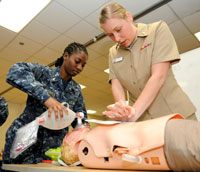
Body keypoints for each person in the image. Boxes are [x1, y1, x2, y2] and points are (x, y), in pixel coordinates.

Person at [99, 2, 196, 122]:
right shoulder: (113, 52)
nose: (117, 39)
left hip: (175, 114)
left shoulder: (157, 30)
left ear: (128, 17)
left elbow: (158, 76)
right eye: (110, 35)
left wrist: (132, 115)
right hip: (144, 121)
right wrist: (122, 108)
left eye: (118, 30)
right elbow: (116, 84)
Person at [3, 42, 88, 164]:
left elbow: (80, 118)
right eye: (77, 61)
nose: (79, 67)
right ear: (66, 55)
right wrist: (46, 99)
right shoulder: (43, 73)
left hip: (50, 151)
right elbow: (15, 71)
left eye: (83, 65)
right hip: (23, 144)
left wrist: (84, 128)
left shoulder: (75, 89)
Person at [61, 114, 200, 171]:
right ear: (75, 144)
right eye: (69, 135)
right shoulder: (91, 143)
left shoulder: (95, 149)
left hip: (170, 146)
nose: (70, 131)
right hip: (169, 138)